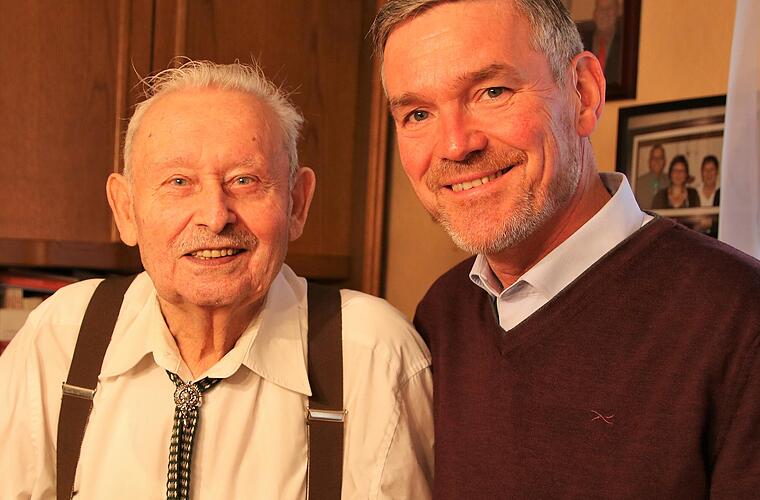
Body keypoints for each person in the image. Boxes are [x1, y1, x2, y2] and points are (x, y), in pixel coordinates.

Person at [371, 0, 760, 497]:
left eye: (492, 91)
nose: (454, 145)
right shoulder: (442, 314)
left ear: (583, 94)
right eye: (418, 113)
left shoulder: (740, 316)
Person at [0, 61, 433, 499]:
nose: (214, 215)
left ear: (297, 203)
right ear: (126, 210)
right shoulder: (60, 336)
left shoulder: (373, 355)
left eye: (244, 180)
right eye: (178, 182)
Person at [635, 143, 669, 209]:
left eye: (660, 158)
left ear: (665, 161)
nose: (657, 161)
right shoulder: (638, 183)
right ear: (649, 161)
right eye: (654, 158)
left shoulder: (670, 182)